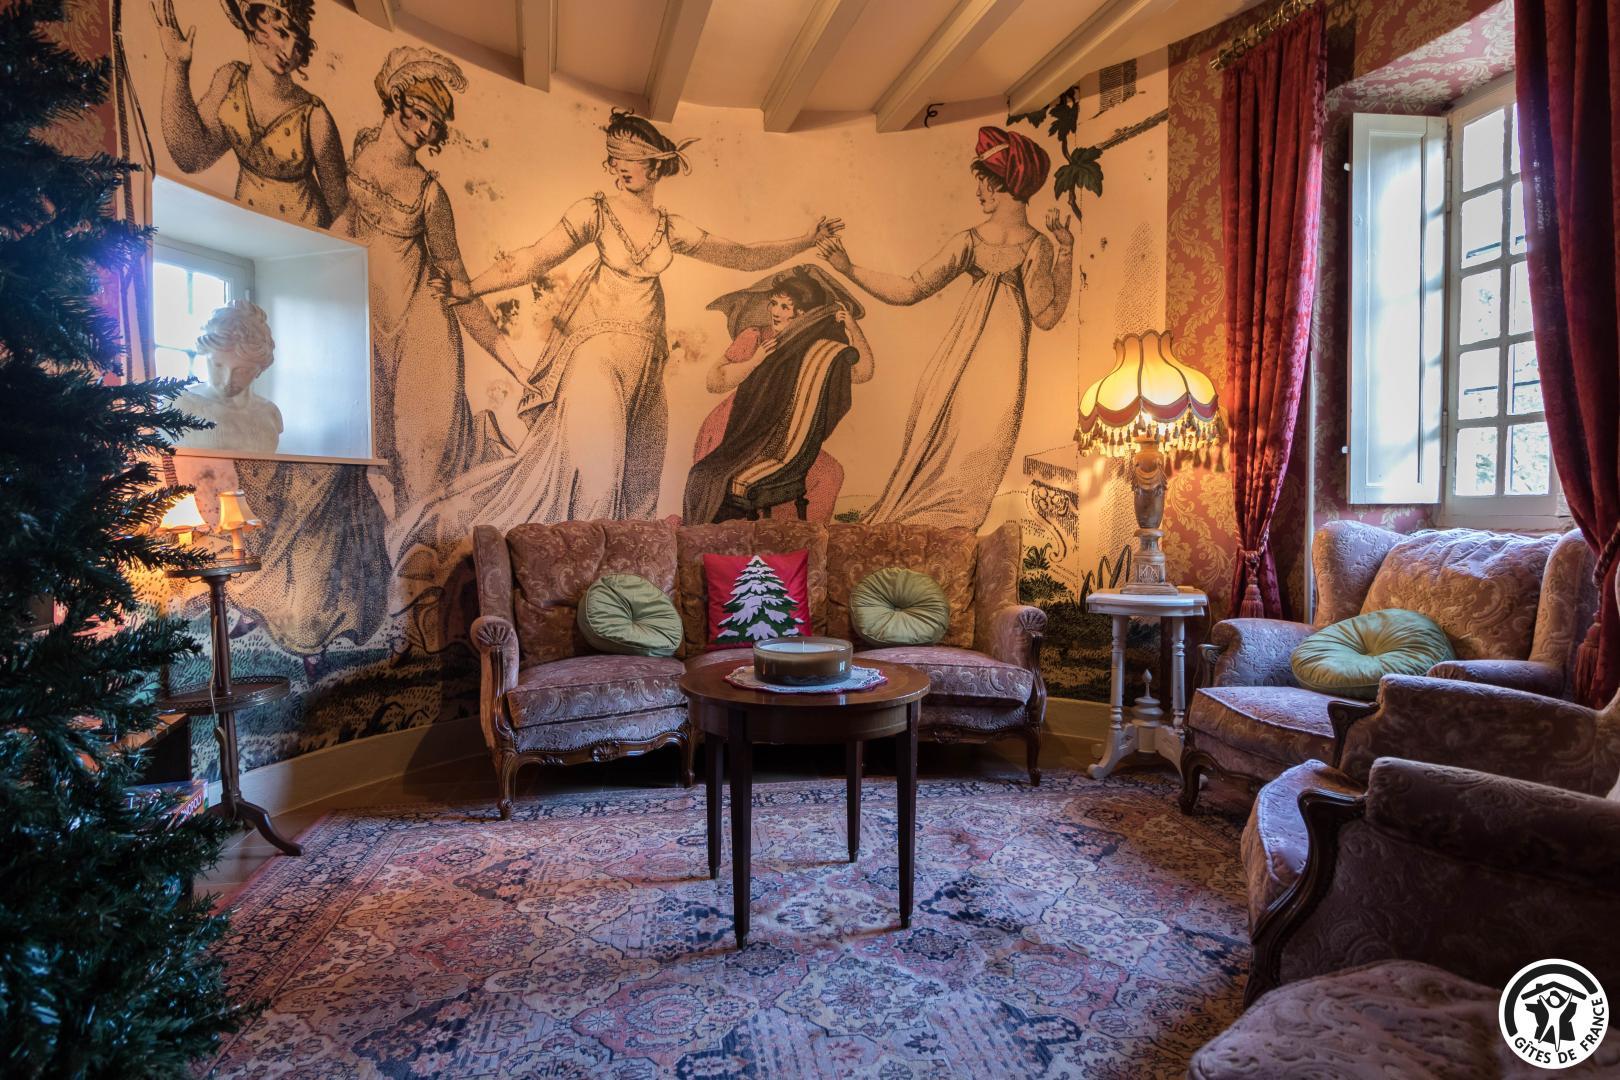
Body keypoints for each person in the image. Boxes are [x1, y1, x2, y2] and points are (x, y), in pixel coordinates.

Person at [394, 109, 842, 564]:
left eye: (630, 156)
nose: (618, 164)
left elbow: (741, 255)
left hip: (646, 367)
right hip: (595, 357)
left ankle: (619, 587)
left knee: (640, 486)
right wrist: (471, 288)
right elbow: (534, 258)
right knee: (598, 481)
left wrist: (805, 241)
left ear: (655, 165)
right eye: (613, 156)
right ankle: (571, 577)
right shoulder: (594, 211)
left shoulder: (671, 227)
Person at [819, 125, 1074, 528]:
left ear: (1004, 185)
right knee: (961, 459)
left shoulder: (996, 243)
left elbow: (911, 290)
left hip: (982, 373)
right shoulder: (1026, 245)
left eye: (985, 182)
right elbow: (1046, 314)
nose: (979, 192)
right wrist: (848, 269)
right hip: (971, 373)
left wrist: (1065, 251)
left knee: (975, 463)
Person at [336, 47, 523, 514]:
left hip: (424, 330)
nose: (424, 130)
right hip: (370, 323)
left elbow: (461, 288)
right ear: (396, 99)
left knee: (421, 468)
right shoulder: (359, 148)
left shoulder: (429, 194)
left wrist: (516, 367)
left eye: (434, 125)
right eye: (419, 113)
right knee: (375, 465)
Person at [684, 265, 873, 523]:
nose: (775, 311)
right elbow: (714, 382)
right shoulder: (756, 335)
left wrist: (853, 328)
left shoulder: (814, 346)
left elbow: (862, 373)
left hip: (783, 436)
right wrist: (755, 361)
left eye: (785, 307)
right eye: (773, 303)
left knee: (829, 474)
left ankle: (806, 539)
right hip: (734, 429)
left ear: (803, 313)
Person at [152, 0, 347, 227]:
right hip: (248, 232)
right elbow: (192, 157)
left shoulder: (315, 115)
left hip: (305, 237)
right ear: (252, 19)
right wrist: (177, 65)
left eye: (299, 46)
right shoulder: (231, 80)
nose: (289, 51)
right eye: (282, 33)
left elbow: (342, 209)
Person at [175, 298, 283, 454]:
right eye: (218, 365)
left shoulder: (270, 413)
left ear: (260, 369)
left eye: (243, 371)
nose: (227, 380)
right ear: (205, 355)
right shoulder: (180, 404)